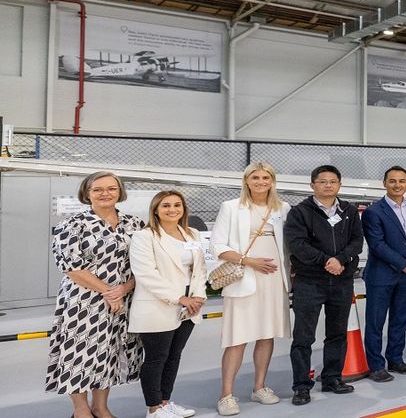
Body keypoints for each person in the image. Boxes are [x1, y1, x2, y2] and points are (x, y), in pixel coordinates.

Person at [47, 172, 145, 418]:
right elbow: (70, 267)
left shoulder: (135, 224)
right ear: (87, 193)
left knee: (108, 353)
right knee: (78, 353)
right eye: (98, 189)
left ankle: (101, 407)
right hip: (82, 301)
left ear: (119, 192)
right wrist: (109, 291)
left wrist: (123, 289)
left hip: (122, 299)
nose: (105, 193)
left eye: (111, 188)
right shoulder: (71, 225)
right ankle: (81, 410)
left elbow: (145, 264)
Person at [209, 162, 291, 415]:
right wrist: (249, 261)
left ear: (272, 180)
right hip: (244, 276)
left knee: (266, 334)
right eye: (255, 177)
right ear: (246, 181)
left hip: (274, 279)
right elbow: (217, 245)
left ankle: (259, 387)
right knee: (237, 337)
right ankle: (226, 394)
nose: (260, 181)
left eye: (266, 177)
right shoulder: (231, 207)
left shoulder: (283, 208)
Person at [284, 165, 363, 405]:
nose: (328, 185)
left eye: (333, 181)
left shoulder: (349, 210)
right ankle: (301, 386)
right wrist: (325, 261)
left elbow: (357, 240)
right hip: (310, 282)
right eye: (322, 181)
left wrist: (340, 260)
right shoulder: (300, 212)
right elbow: (297, 244)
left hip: (341, 281)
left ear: (339, 184)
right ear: (312, 185)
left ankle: (332, 378)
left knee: (337, 333)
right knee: (303, 337)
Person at [129, 190, 208, 418]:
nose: (172, 209)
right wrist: (179, 298)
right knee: (156, 358)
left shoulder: (192, 234)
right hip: (158, 304)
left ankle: (165, 402)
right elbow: (146, 274)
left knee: (174, 356)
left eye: (177, 205)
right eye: (166, 205)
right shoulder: (144, 236)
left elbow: (200, 270)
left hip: (189, 305)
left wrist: (199, 296)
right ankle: (153, 408)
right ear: (155, 209)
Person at [360, 166, 406, 383]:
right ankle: (376, 365)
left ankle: (395, 359)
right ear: (384, 183)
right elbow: (377, 244)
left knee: (401, 319)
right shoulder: (373, 212)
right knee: (376, 321)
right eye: (393, 181)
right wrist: (402, 263)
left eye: (402, 181)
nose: (397, 185)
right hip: (381, 275)